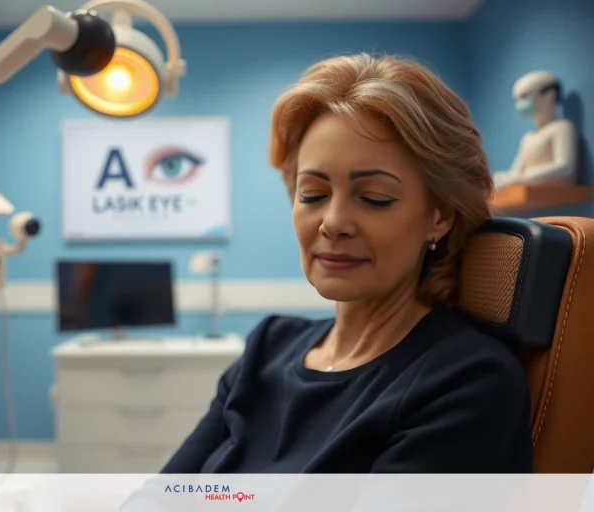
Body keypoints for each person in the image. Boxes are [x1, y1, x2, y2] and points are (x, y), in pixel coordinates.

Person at [159, 53, 533, 474]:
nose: (333, 223)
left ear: (439, 215)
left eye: (374, 197)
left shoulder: (466, 382)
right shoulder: (268, 348)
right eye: (313, 194)